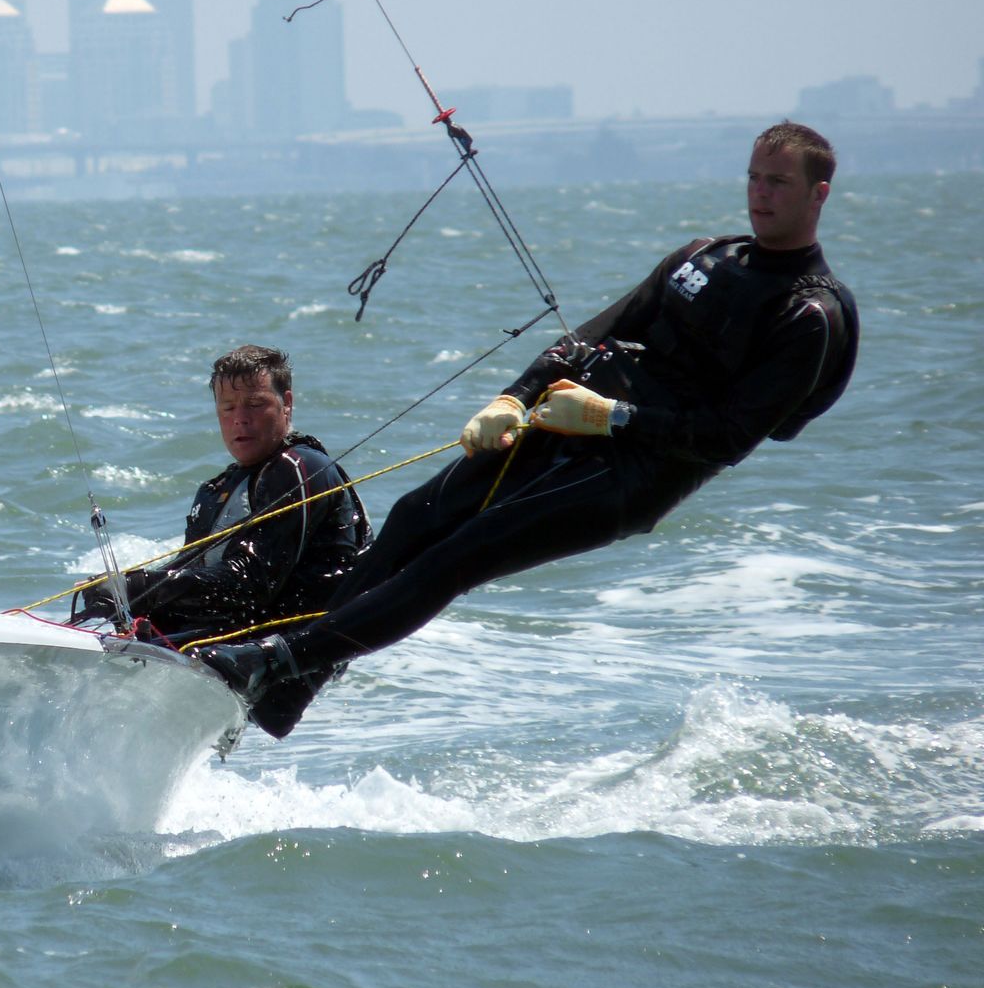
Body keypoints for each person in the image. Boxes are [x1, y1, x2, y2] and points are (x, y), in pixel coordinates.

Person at [202, 122, 859, 731]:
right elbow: (593, 334)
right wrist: (512, 399)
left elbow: (727, 438)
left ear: (818, 193)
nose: (760, 193)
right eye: (753, 177)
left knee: (461, 553)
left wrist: (611, 417)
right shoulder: (704, 256)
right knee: (414, 517)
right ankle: (286, 690)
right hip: (564, 418)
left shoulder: (809, 316)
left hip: (634, 473)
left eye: (778, 182)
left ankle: (274, 662)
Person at [74, 344, 371, 733]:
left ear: (286, 404)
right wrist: (124, 597)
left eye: (255, 404)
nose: (240, 419)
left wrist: (138, 587)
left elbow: (249, 584)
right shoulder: (217, 490)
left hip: (278, 658)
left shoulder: (299, 468)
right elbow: (194, 575)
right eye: (228, 408)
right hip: (227, 641)